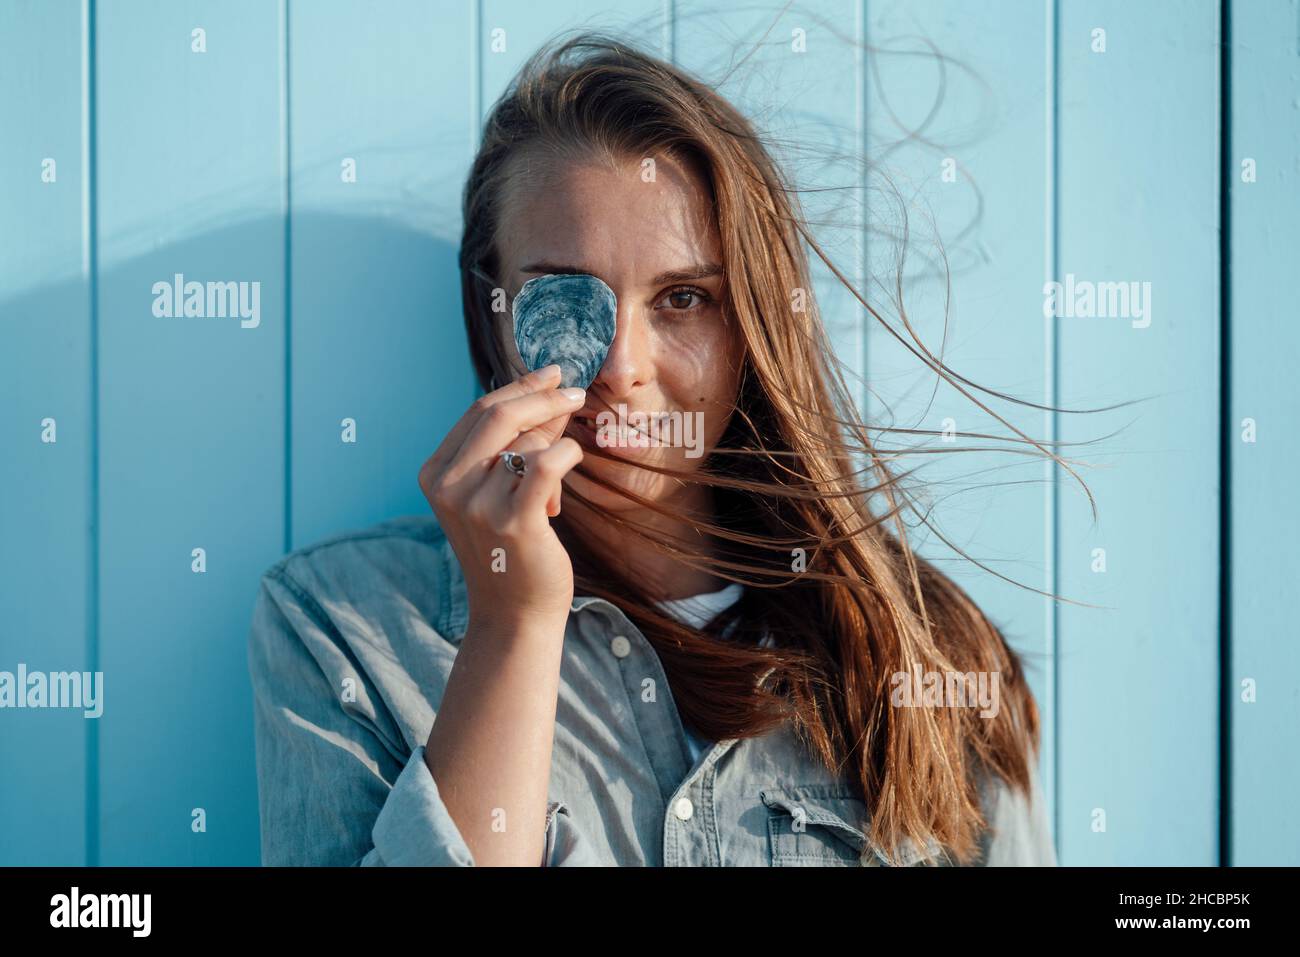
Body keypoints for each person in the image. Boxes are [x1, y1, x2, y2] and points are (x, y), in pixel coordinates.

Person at [248, 32, 1057, 867]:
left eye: (681, 298)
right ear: (493, 311)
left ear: (751, 324)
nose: (624, 370)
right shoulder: (342, 625)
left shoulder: (927, 658)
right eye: (564, 297)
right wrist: (511, 624)